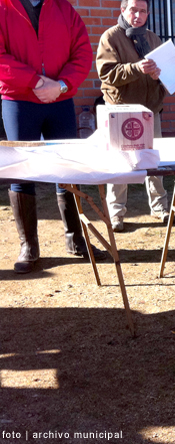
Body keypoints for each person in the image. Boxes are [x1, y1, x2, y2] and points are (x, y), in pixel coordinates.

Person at [0, 0, 107, 274]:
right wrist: (35, 82)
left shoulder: (64, 9)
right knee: (21, 172)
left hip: (60, 99)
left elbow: (82, 52)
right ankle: (29, 246)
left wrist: (60, 85)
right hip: (19, 99)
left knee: (67, 169)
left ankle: (76, 240)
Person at [96, 0, 172, 232]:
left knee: (153, 161)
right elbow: (107, 74)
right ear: (122, 10)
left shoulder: (153, 39)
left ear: (148, 13)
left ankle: (160, 208)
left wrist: (160, 76)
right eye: (133, 10)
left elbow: (164, 73)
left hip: (150, 112)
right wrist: (137, 68)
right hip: (121, 112)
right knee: (119, 164)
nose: (137, 15)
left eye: (142, 11)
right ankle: (116, 213)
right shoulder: (110, 37)